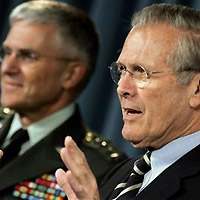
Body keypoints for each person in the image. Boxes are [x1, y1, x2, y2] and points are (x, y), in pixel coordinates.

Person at [55, 3, 200, 200]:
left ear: (196, 90)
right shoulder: (121, 174)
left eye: (141, 72)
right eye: (122, 70)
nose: (122, 88)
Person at [0, 0, 127, 199]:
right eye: (7, 53)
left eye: (28, 56)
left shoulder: (99, 166)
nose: (7, 68)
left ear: (71, 74)